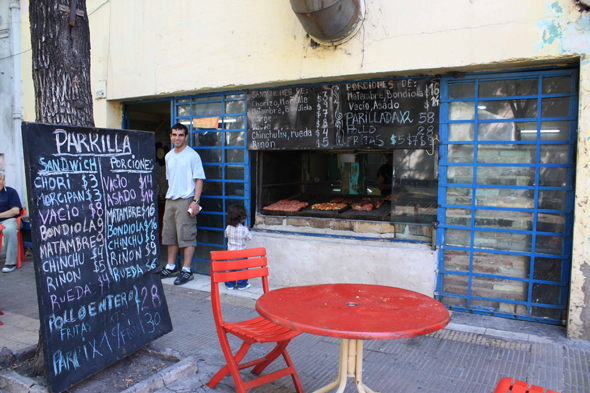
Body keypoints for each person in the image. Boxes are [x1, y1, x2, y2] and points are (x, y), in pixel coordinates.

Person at [159, 123, 206, 285]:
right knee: (170, 234)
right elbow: (169, 179)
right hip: (170, 199)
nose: (177, 138)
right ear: (170, 136)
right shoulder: (169, 156)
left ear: (186, 137)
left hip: (186, 199)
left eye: (180, 135)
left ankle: (187, 270)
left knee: (187, 235)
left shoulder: (192, 155)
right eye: (174, 134)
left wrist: (195, 201)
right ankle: (171, 267)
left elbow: (199, 179)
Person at [224, 204, 252, 291]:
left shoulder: (228, 228)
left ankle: (230, 285)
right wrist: (247, 229)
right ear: (242, 218)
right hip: (241, 254)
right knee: (242, 270)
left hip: (230, 253)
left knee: (230, 268)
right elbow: (249, 238)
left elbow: (226, 236)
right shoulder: (244, 229)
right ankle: (242, 285)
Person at [0, 173, 22, 273]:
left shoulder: (11, 192)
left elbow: (15, 211)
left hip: (9, 219)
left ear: (3, 180)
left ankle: (10, 263)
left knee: (9, 229)